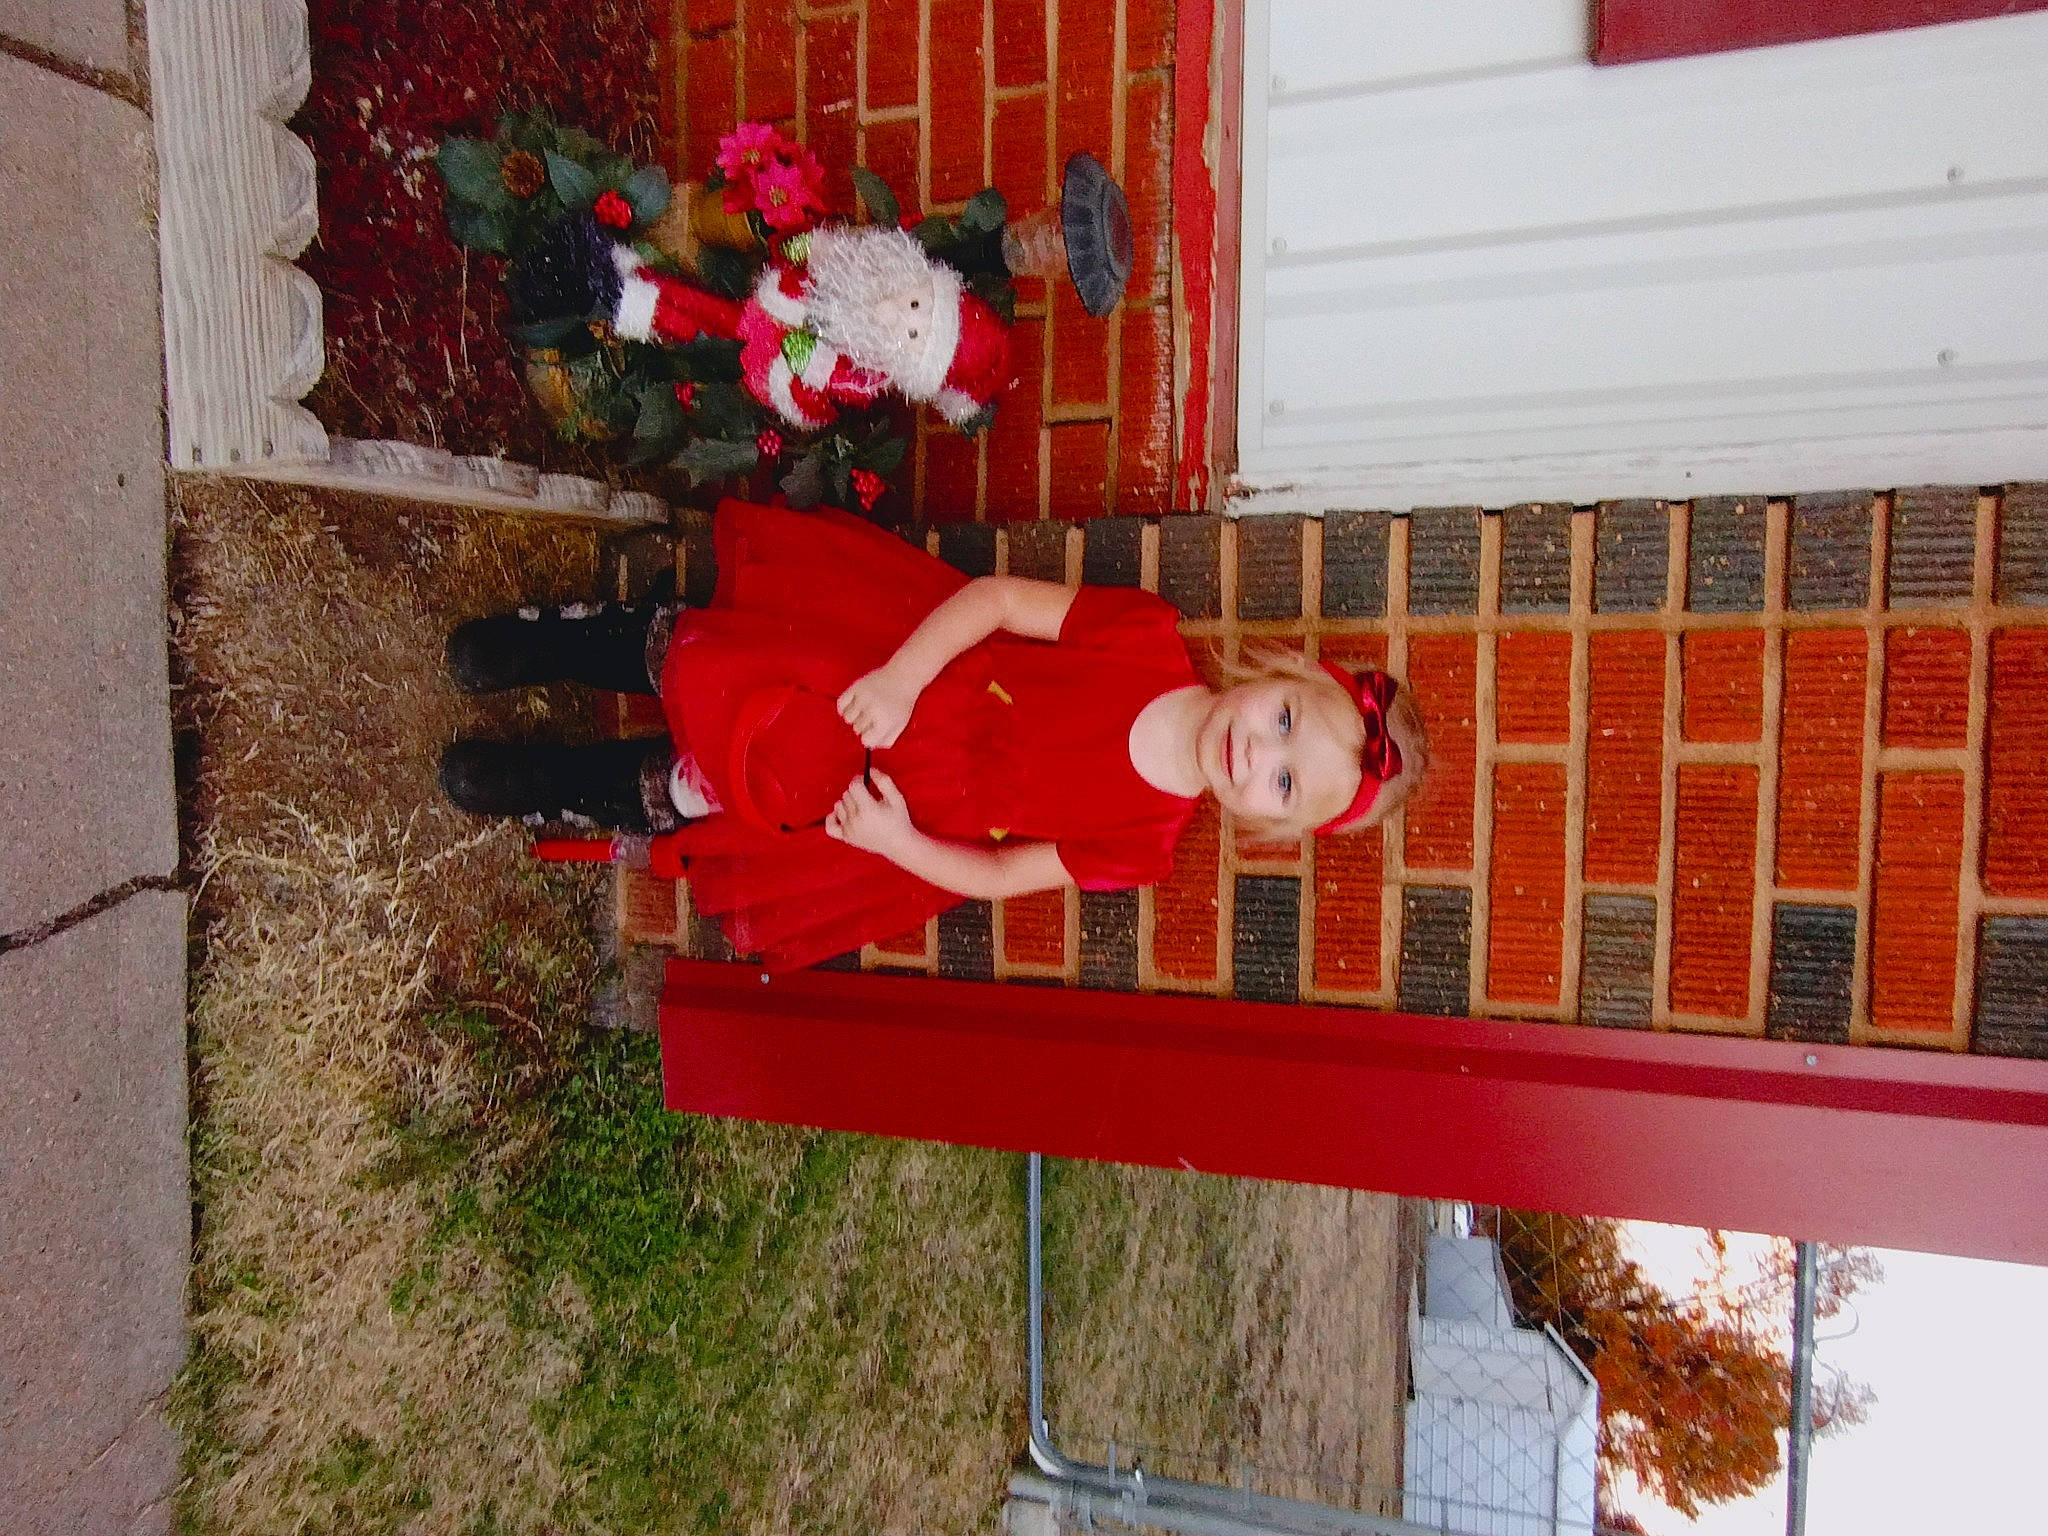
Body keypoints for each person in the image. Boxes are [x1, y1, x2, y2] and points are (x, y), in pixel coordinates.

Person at [439, 499, 1429, 971]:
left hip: (895, 812)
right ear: (1278, 675)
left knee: (718, 789)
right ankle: (544, 648)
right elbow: (999, 600)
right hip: (889, 673)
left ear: (1273, 825)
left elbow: (1002, 878)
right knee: (717, 658)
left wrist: (895, 842)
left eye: (1284, 783)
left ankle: (543, 777)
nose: (1257, 753)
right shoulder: (1144, 637)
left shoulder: (1144, 846)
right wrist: (904, 677)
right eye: (1286, 721)